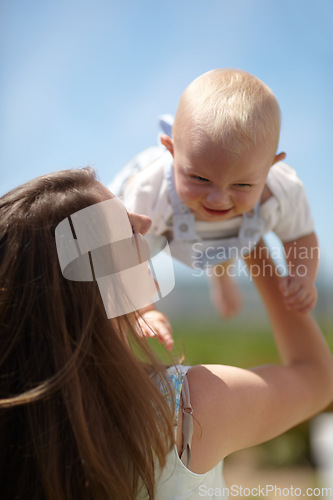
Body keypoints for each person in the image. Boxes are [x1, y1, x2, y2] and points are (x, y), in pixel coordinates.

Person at [1, 167, 332, 500]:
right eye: (126, 225)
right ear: (93, 279)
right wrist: (246, 232)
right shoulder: (192, 410)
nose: (145, 222)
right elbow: (318, 377)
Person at [111, 69, 319, 339]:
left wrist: (303, 276)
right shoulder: (149, 193)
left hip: (223, 239)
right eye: (199, 178)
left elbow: (300, 236)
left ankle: (221, 276)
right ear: (171, 151)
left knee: (225, 240)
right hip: (154, 229)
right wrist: (143, 310)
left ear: (271, 166)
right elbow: (124, 257)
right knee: (106, 253)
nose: (218, 199)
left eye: (242, 185)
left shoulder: (282, 192)